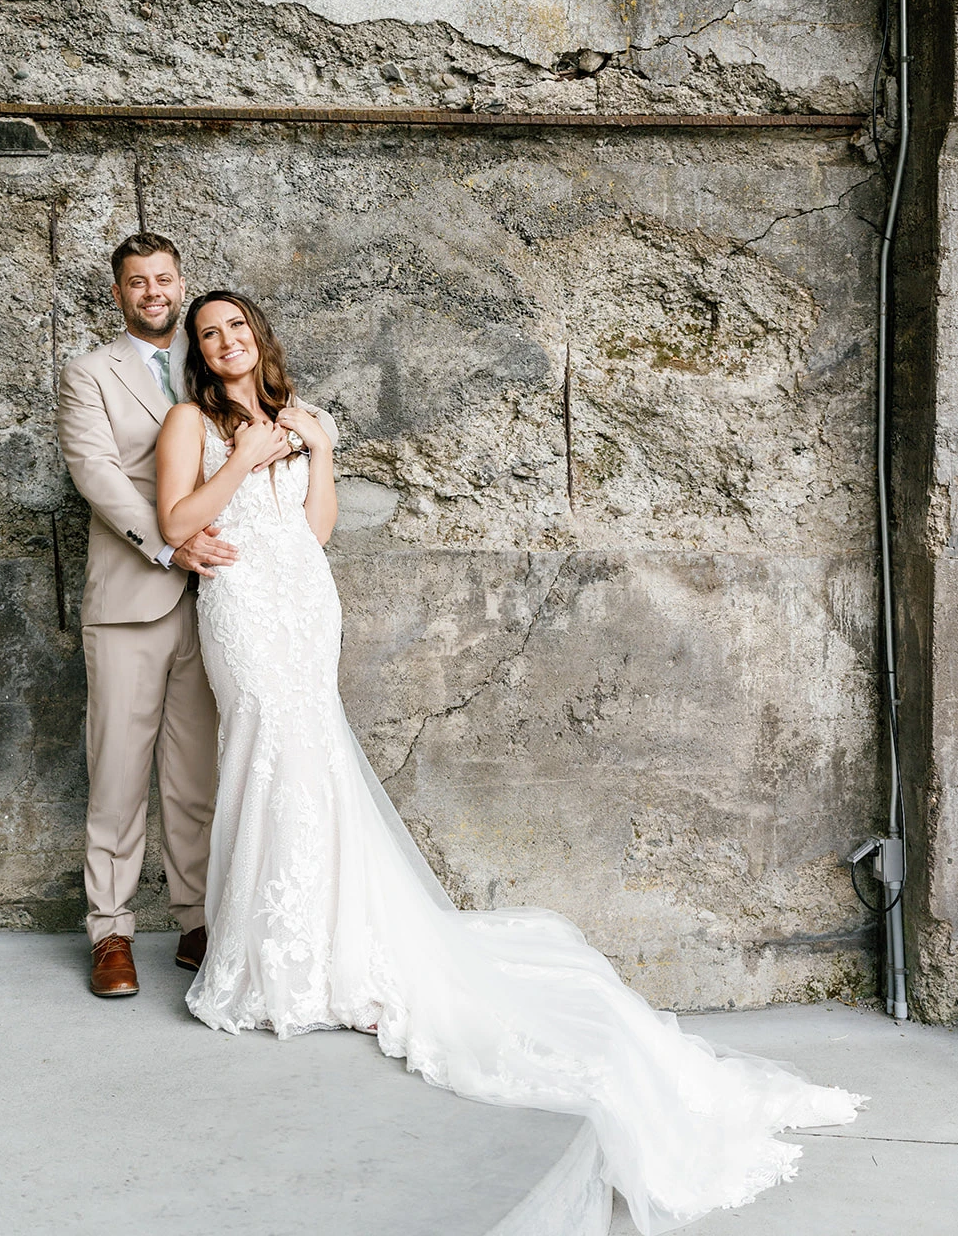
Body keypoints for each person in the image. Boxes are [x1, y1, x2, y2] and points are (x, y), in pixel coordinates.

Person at [155, 287, 865, 1235]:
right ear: (198, 353)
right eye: (210, 334)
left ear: (258, 339)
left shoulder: (298, 416)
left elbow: (316, 530)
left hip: (303, 598)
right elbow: (175, 520)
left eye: (237, 327)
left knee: (315, 762)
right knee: (261, 754)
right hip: (242, 604)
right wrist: (239, 456)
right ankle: (265, 958)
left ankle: (330, 951)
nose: (226, 341)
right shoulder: (185, 421)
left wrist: (316, 452)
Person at [57, 234, 235, 998]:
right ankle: (112, 932)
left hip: (222, 601)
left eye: (163, 279)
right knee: (119, 775)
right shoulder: (89, 373)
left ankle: (196, 921)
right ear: (119, 292)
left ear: (179, 282)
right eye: (137, 282)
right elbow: (96, 473)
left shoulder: (213, 365)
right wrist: (172, 545)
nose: (153, 292)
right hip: (134, 594)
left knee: (196, 776)